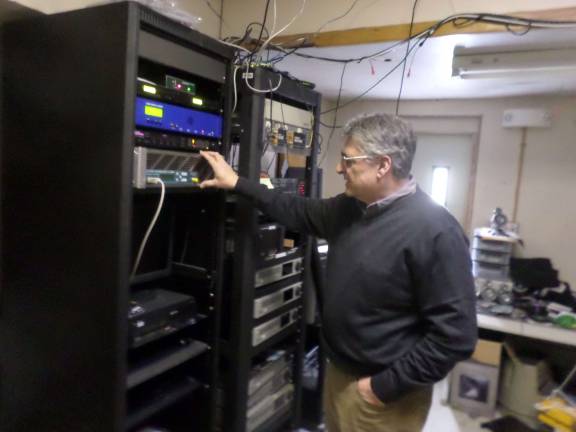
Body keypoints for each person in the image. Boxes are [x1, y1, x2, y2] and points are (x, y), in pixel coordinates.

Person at [200, 113, 477, 432]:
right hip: (340, 373)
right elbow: (297, 210)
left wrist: (383, 387)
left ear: (383, 165)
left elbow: (456, 336)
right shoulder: (351, 209)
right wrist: (237, 182)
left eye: (348, 159)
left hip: (385, 398)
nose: (338, 167)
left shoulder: (436, 232)